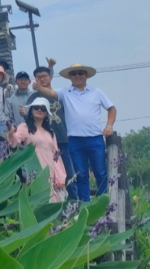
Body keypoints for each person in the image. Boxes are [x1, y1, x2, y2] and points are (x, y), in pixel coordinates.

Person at [35, 63, 117, 201]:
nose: (77, 76)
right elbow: (51, 93)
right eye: (74, 74)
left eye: (81, 73)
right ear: (70, 77)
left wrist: (109, 126)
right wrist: (40, 88)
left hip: (95, 138)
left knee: (101, 173)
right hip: (74, 140)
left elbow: (112, 109)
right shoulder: (64, 93)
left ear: (86, 76)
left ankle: (106, 205)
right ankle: (85, 206)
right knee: (81, 175)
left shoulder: (96, 92)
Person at [28, 66, 76, 200]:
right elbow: (27, 117)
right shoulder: (33, 98)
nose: (42, 79)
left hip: (63, 139)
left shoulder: (59, 95)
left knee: (70, 175)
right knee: (48, 176)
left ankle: (73, 206)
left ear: (50, 77)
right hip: (45, 142)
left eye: (45, 76)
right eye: (39, 77)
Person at [6, 97, 67, 202]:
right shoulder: (25, 127)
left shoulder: (50, 132)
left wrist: (61, 177)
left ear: (47, 113)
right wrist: (10, 134)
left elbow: (56, 155)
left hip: (51, 170)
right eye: (36, 108)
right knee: (37, 198)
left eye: (43, 108)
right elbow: (14, 141)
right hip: (34, 169)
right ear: (31, 110)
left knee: (52, 200)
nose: (39, 110)